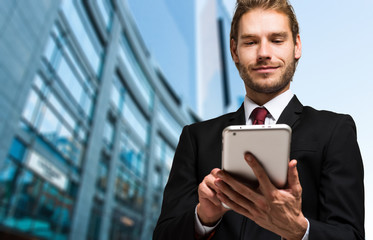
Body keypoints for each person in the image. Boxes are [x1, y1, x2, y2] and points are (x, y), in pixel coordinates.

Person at [153, 0, 365, 239]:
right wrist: (203, 218)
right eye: (251, 42)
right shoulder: (196, 138)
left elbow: (351, 235)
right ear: (234, 50)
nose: (264, 53)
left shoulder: (334, 131)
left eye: (277, 40)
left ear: (296, 46)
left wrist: (300, 231)